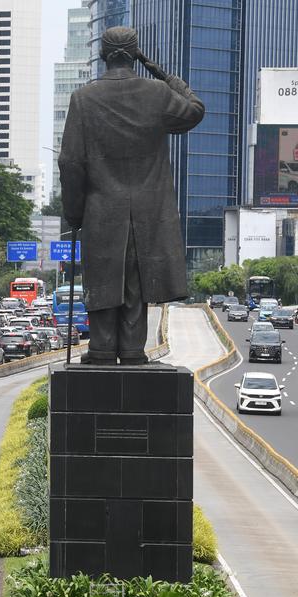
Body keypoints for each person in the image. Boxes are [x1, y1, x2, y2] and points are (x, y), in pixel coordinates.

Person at [59, 26, 204, 365]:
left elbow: (70, 162)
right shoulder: (156, 93)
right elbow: (194, 109)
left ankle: (101, 350)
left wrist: (74, 212)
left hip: (99, 209)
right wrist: (162, 73)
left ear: (102, 54)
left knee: (103, 281)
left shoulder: (83, 99)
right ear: (135, 53)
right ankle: (135, 352)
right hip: (147, 210)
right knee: (135, 283)